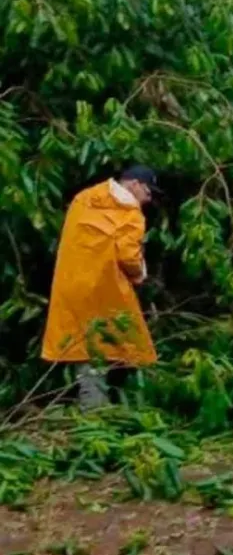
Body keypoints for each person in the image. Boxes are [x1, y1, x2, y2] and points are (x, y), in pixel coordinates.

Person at [42, 166, 160, 408]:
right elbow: (128, 257)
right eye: (149, 191)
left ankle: (96, 414)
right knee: (118, 348)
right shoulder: (130, 213)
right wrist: (140, 274)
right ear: (135, 184)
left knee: (86, 349)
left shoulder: (83, 198)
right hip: (105, 290)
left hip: (71, 286)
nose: (149, 199)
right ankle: (98, 420)